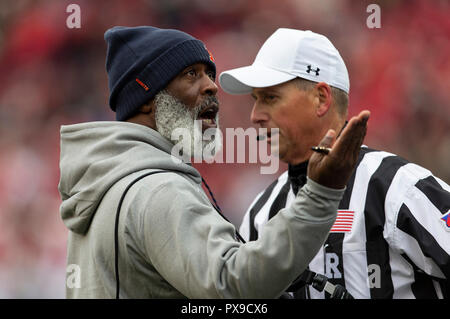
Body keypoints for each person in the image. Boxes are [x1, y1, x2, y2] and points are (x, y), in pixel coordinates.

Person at [58, 26, 370, 298]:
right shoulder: (157, 189)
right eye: (190, 74)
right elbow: (234, 285)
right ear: (147, 99)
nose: (211, 85)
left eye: (208, 73)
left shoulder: (108, 182)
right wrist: (320, 196)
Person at [219, 28, 450, 299]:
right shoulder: (261, 213)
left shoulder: (399, 188)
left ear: (321, 98)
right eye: (255, 100)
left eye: (271, 97)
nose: (255, 116)